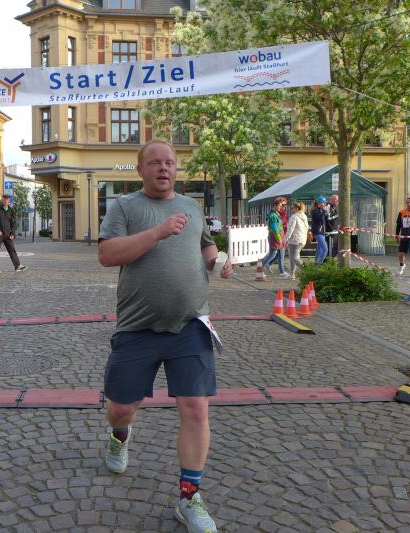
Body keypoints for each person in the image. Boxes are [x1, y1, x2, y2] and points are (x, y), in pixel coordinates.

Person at [98, 139, 231, 533]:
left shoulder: (191, 207)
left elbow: (205, 246)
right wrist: (156, 232)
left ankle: (189, 498)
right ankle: (119, 435)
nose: (163, 168)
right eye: (155, 163)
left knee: (196, 408)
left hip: (191, 324)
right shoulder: (124, 207)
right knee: (121, 408)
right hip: (137, 327)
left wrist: (220, 261)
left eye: (169, 162)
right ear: (140, 169)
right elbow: (107, 255)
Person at [0, 194, 27, 273]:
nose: (6, 201)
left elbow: (13, 223)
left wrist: (12, 233)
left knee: (12, 250)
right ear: (2, 200)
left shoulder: (11, 210)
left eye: (7, 200)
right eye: (4, 199)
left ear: (9, 201)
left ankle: (17, 266)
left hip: (8, 234)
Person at [262, 198, 288, 278]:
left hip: (279, 235)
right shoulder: (273, 215)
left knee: (278, 254)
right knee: (273, 254)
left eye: (281, 205)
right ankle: (260, 268)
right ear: (274, 205)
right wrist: (278, 238)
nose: (281, 207)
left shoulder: (276, 214)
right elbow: (274, 228)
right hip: (276, 236)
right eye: (279, 206)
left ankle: (282, 271)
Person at [285, 201, 309, 279]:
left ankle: (307, 270)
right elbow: (307, 228)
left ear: (296, 208)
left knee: (294, 258)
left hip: (294, 240)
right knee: (293, 257)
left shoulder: (294, 217)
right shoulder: (304, 216)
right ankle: (292, 274)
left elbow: (290, 230)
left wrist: (285, 239)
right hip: (302, 240)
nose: (291, 209)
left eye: (292, 208)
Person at [395, 197, 410, 275]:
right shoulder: (401, 212)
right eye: (408, 202)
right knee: (401, 254)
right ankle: (402, 266)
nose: (409, 204)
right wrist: (397, 235)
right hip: (404, 237)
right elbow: (398, 225)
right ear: (406, 203)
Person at [311, 197, 329, 264]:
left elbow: (326, 219)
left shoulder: (322, 210)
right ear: (320, 203)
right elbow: (318, 218)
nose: (325, 204)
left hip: (322, 232)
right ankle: (319, 264)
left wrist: (326, 212)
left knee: (320, 250)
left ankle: (316, 266)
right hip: (317, 232)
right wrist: (324, 211)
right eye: (324, 203)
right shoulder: (314, 211)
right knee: (325, 249)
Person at [325, 194, 339, 259]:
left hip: (335, 231)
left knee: (335, 247)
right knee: (329, 248)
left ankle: (332, 260)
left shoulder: (334, 208)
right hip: (329, 232)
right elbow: (328, 218)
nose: (338, 202)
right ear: (333, 200)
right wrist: (337, 216)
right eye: (337, 200)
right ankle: (327, 261)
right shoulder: (328, 206)